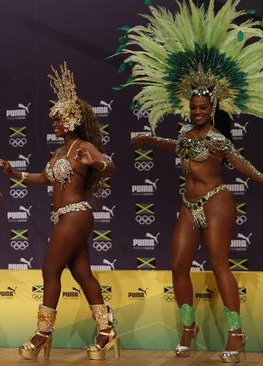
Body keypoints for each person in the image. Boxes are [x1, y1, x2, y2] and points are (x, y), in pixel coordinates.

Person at [122, 0, 263, 362]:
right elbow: (175, 143)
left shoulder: (217, 139)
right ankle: (189, 327)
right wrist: (151, 139)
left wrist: (261, 178)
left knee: (219, 264)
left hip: (216, 202)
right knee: (179, 264)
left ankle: (236, 334)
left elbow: (241, 164)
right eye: (194, 107)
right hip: (189, 205)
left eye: (203, 108)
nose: (198, 112)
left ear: (212, 110)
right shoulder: (186, 135)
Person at [0, 63, 117, 361]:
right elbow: (43, 178)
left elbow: (110, 168)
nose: (55, 124)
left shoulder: (82, 147)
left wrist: (96, 162)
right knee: (81, 272)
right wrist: (14, 174)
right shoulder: (59, 153)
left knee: (50, 270)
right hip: (65, 217)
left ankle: (42, 334)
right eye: (54, 120)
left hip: (76, 214)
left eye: (59, 119)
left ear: (73, 119)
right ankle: (106, 331)